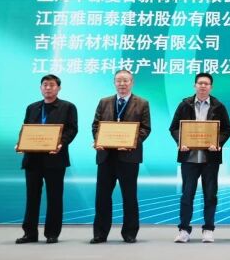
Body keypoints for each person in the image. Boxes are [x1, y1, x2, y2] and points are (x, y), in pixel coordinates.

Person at [169, 72, 230, 243]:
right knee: (187, 195)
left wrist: (218, 142)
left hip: (210, 158)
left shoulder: (219, 106)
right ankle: (184, 229)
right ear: (194, 85)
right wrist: (180, 141)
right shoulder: (185, 105)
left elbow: (227, 129)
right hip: (189, 158)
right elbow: (174, 127)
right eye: (200, 83)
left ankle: (208, 229)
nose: (203, 86)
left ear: (211, 87)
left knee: (210, 195)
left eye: (206, 84)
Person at [16, 74, 78, 244]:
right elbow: (26, 129)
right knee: (32, 197)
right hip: (32, 159)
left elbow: (72, 129)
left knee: (55, 197)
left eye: (52, 85)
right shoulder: (32, 107)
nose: (48, 88)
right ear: (40, 88)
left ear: (59, 88)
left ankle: (52, 233)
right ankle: (30, 233)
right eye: (45, 85)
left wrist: (60, 143)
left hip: (55, 158)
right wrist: (20, 144)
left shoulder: (68, 107)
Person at [91, 69, 151, 244]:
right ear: (114, 83)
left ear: (132, 82)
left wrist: (131, 142)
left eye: (125, 80)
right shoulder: (104, 102)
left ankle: (130, 233)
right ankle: (100, 233)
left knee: (129, 196)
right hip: (106, 156)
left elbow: (145, 128)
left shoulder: (142, 103)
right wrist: (99, 140)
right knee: (102, 197)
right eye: (119, 80)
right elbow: (96, 126)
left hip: (129, 157)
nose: (122, 84)